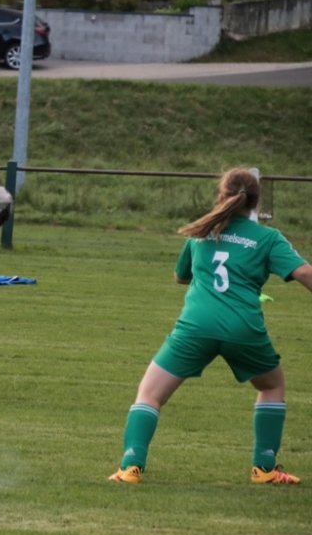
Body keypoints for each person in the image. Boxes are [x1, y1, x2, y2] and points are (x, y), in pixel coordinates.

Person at [108, 168, 312, 485]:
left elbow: (180, 277)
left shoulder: (201, 231)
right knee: (271, 386)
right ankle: (264, 469)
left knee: (149, 394)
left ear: (220, 197)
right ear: (256, 203)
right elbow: (305, 273)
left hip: (196, 327)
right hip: (243, 328)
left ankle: (129, 468)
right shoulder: (268, 238)